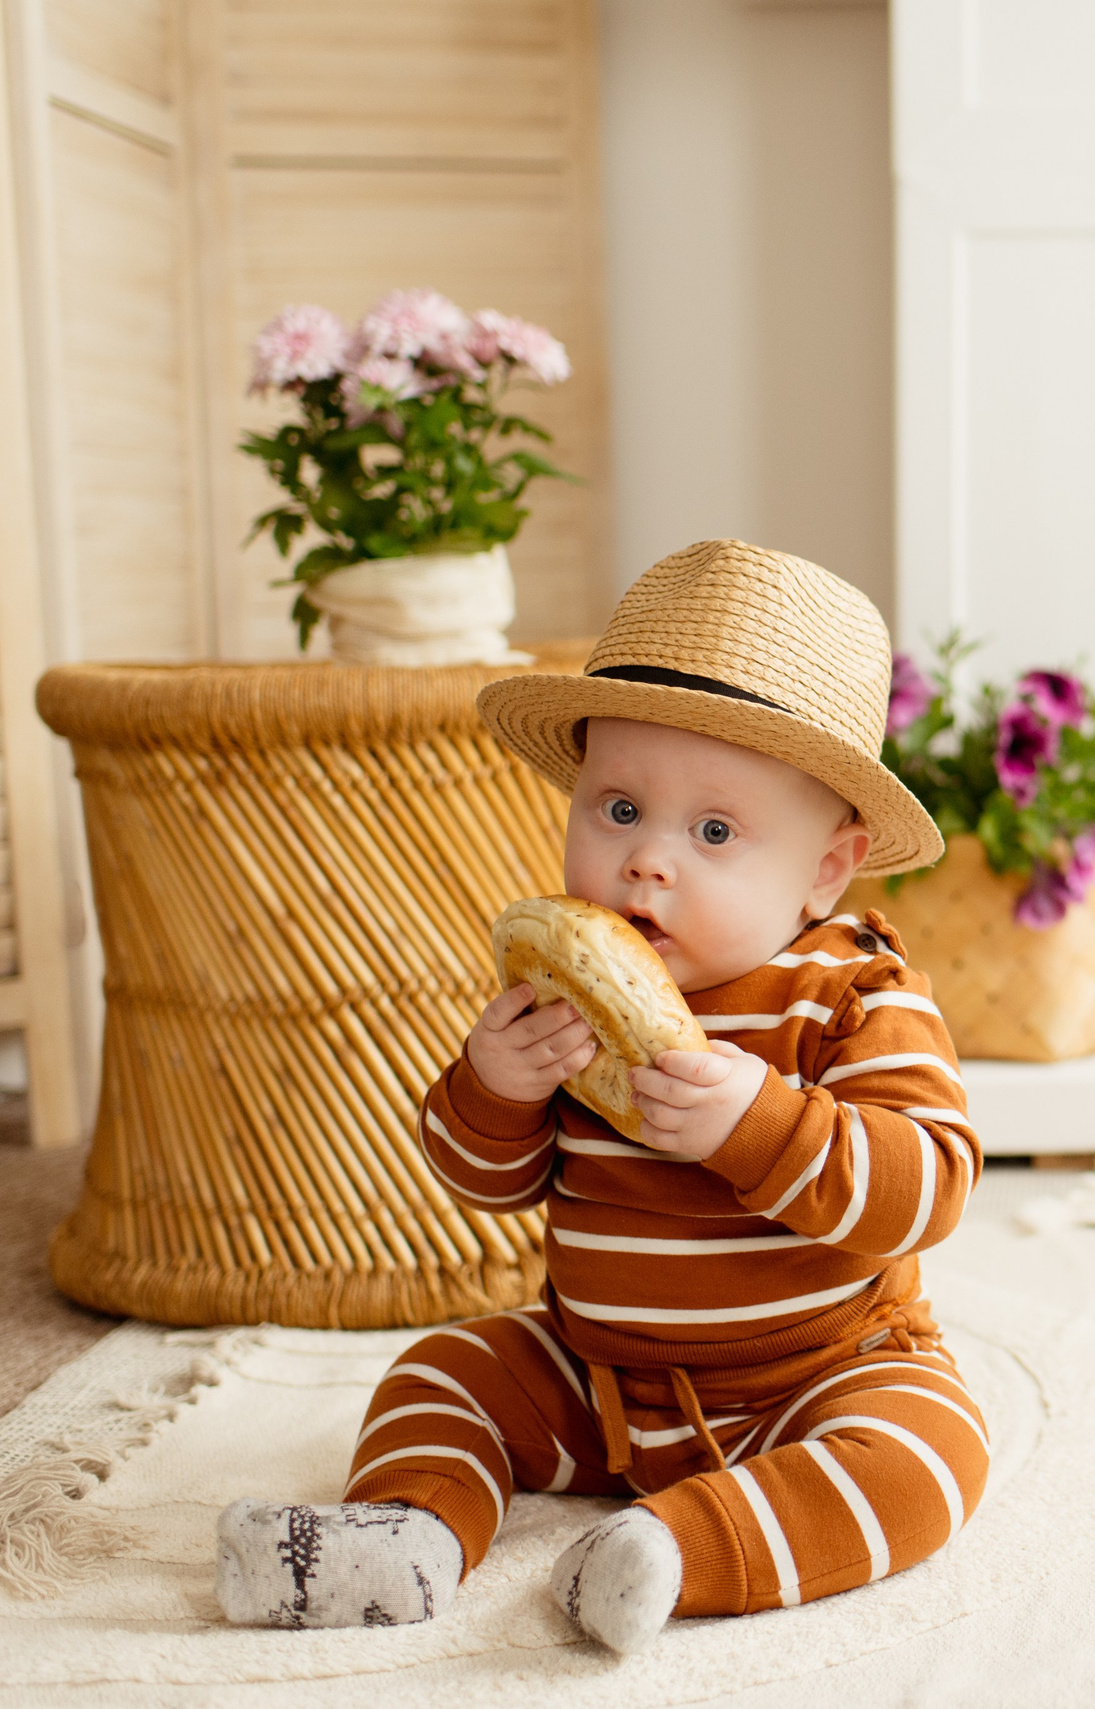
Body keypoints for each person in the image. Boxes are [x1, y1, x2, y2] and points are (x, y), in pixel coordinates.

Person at [213, 540, 982, 1654]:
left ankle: (674, 1551)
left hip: (813, 1372)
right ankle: (404, 1537)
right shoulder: (566, 992)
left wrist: (757, 1123)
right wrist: (495, 1086)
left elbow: (929, 1189)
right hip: (602, 1378)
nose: (646, 862)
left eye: (714, 832)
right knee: (446, 1367)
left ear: (827, 867)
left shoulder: (852, 996)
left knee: (928, 1455)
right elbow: (486, 1178)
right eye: (617, 807)